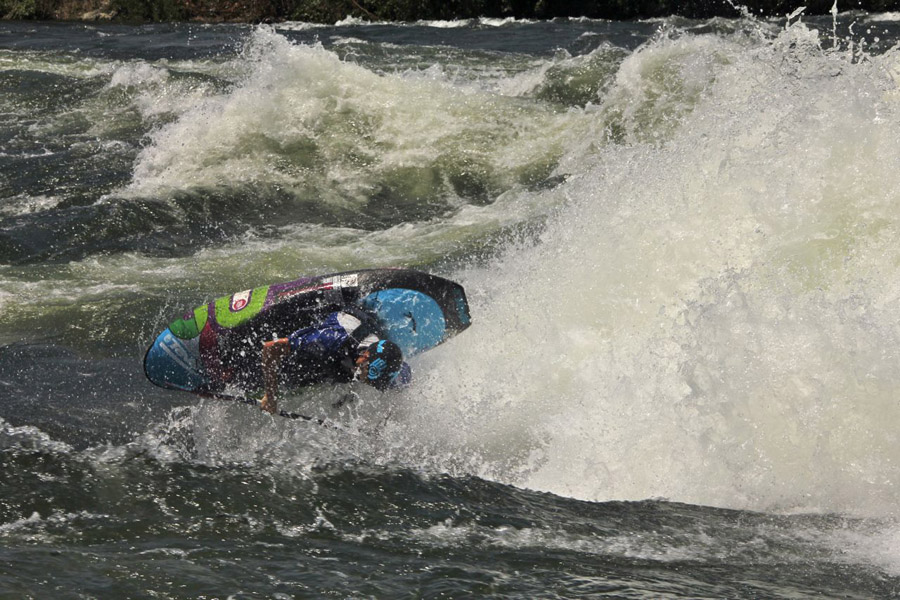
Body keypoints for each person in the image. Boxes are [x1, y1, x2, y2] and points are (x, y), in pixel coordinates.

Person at [258, 309, 410, 414]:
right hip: (338, 330)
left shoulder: (387, 366)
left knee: (344, 375)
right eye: (369, 379)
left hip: (360, 336)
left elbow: (404, 378)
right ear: (365, 357)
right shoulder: (329, 340)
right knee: (320, 363)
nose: (369, 383)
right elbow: (270, 348)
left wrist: (381, 429)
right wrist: (270, 396)